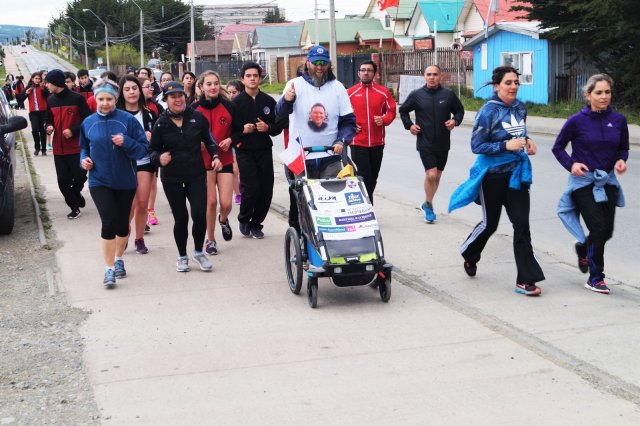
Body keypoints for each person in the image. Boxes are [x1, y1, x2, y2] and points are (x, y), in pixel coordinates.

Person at [448, 66, 544, 297]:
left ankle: (525, 279)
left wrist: (527, 141)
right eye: (508, 83)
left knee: (522, 225)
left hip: (516, 175)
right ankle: (470, 254)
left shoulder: (520, 107)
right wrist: (504, 146)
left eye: (516, 83)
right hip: (492, 176)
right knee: (490, 224)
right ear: (497, 86)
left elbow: (519, 133)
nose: (513, 87)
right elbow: (477, 146)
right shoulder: (487, 112)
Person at [552, 73, 629, 295]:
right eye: (599, 92)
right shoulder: (576, 121)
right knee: (597, 228)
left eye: (607, 92)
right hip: (583, 183)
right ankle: (596, 278)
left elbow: (623, 147)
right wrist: (571, 165)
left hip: (608, 182)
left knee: (607, 231)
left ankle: (584, 248)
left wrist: (621, 160)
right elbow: (558, 148)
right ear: (588, 95)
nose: (604, 97)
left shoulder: (619, 120)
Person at [79, 79, 149, 288]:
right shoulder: (88, 122)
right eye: (101, 99)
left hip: (125, 180)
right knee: (108, 222)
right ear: (95, 99)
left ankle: (119, 258)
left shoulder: (127, 120)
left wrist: (126, 142)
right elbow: (83, 147)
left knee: (121, 224)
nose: (105, 103)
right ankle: (108, 269)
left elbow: (143, 149)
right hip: (99, 180)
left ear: (115, 98)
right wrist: (83, 160)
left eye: (109, 99)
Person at [149, 81, 222, 272]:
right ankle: (182, 256)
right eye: (172, 96)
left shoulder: (197, 117)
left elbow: (210, 140)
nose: (178, 99)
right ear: (165, 100)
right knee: (181, 218)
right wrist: (159, 158)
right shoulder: (161, 123)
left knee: (199, 215)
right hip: (172, 178)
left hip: (196, 175)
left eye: (180, 95)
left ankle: (198, 252)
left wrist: (215, 156)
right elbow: (152, 151)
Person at [276, 45, 356, 180]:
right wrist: (286, 100)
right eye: (316, 63)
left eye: (323, 63)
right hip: (301, 156)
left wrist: (341, 141)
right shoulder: (294, 84)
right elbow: (279, 114)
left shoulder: (338, 87)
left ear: (329, 64)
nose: (320, 67)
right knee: (305, 199)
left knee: (332, 197)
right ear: (307, 63)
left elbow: (348, 121)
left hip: (330, 157)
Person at [399, 64, 464, 223]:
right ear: (424, 76)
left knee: (438, 176)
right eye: (429, 74)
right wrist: (410, 125)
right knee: (431, 174)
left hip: (443, 142)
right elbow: (403, 110)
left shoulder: (448, 95)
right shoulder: (417, 95)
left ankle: (428, 202)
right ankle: (428, 205)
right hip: (425, 141)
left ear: (440, 76)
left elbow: (460, 110)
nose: (432, 77)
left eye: (435, 74)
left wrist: (454, 120)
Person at [231, 62, 283, 239]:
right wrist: (242, 131)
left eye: (255, 76)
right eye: (249, 76)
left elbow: (279, 126)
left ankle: (256, 224)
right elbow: (229, 131)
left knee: (266, 189)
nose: (252, 79)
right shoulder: (235, 103)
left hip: (264, 149)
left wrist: (267, 127)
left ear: (260, 78)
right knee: (251, 188)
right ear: (242, 79)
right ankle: (244, 218)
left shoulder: (268, 101)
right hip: (244, 150)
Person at [193, 71, 236, 254]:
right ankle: (210, 240)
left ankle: (223, 219)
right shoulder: (193, 109)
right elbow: (186, 133)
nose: (213, 87)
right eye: (208, 84)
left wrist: (231, 140)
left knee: (226, 204)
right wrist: (197, 142)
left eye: (216, 83)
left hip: (224, 159)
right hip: (203, 162)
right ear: (201, 87)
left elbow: (239, 129)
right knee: (210, 202)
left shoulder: (229, 107)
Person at [116, 75, 158, 255]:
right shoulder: (116, 114)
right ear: (121, 93)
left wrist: (152, 138)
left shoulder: (149, 112)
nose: (132, 92)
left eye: (134, 88)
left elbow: (160, 136)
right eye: (127, 89)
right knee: (128, 204)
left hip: (145, 161)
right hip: (124, 163)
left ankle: (139, 238)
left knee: (142, 203)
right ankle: (123, 233)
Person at [44, 69, 92, 219]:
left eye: (48, 82)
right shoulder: (50, 100)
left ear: (56, 83)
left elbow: (88, 120)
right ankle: (74, 206)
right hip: (59, 149)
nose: (46, 85)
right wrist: (48, 126)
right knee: (63, 181)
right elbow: (47, 119)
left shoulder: (77, 98)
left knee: (79, 177)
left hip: (77, 147)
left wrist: (73, 130)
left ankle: (77, 192)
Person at [347, 60, 397, 203]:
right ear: (358, 73)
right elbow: (341, 114)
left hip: (377, 142)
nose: (366, 73)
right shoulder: (350, 92)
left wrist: (384, 119)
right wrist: (351, 125)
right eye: (363, 70)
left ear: (374, 73)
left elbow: (391, 110)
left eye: (369, 70)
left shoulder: (383, 92)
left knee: (373, 177)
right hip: (358, 142)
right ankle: (368, 208)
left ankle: (365, 204)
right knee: (364, 176)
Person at [226, 79, 244, 205]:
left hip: (243, 141)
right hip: (231, 141)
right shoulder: (225, 107)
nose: (231, 95)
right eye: (229, 92)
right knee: (234, 170)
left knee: (243, 169)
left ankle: (241, 187)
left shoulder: (243, 105)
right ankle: (237, 194)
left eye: (234, 92)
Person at [24, 72, 49, 155]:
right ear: (32, 79)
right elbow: (20, 98)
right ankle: (37, 148)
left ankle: (44, 149)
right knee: (35, 130)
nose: (38, 80)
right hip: (33, 112)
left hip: (43, 112)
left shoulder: (43, 87)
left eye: (39, 79)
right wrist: (26, 93)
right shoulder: (29, 87)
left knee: (43, 130)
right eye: (36, 78)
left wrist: (43, 89)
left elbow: (47, 96)